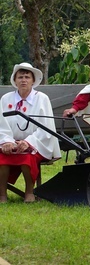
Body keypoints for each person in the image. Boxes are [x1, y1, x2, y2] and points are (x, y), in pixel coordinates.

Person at [0, 63, 61, 203]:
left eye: (27, 77)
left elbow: (46, 127)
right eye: (20, 77)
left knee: (27, 158)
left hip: (35, 143)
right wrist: (7, 141)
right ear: (14, 80)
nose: (23, 80)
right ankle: (2, 194)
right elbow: (1, 124)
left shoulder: (42, 98)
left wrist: (28, 142)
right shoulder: (6, 99)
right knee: (2, 158)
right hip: (10, 142)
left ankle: (29, 192)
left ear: (33, 80)